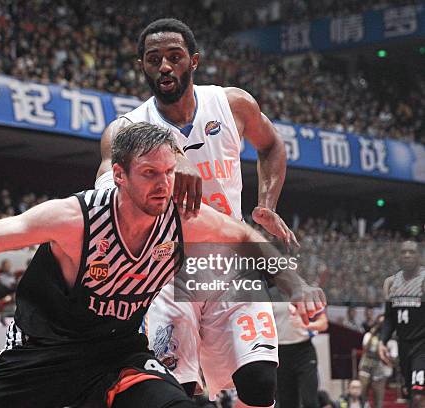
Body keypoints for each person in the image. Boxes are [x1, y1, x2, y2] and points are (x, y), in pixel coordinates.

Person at [0, 123, 323, 408]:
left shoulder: (184, 219)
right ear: (119, 176)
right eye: (150, 174)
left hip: (116, 354)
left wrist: (296, 284)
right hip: (41, 352)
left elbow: (246, 236)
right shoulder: (74, 218)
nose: (163, 185)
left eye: (169, 173)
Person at [96, 18, 304, 407]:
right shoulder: (126, 130)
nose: (164, 67)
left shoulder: (231, 104)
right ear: (141, 65)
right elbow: (106, 185)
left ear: (193, 60)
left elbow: (272, 145)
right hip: (167, 269)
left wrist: (266, 204)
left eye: (174, 57)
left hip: (232, 262)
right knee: (179, 391)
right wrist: (163, 164)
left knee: (260, 384)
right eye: (153, 58)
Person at [379, 241, 425, 408]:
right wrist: (382, 342)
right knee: (411, 395)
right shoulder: (391, 283)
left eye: (411, 252)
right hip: (404, 346)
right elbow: (389, 318)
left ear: (419, 256)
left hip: (422, 346)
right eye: (403, 252)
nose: (407, 255)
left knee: (419, 394)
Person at [272, 294, 329, 408]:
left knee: (309, 400)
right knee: (287, 402)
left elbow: (323, 324)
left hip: (303, 351)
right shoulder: (267, 294)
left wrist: (306, 325)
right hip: (280, 352)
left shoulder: (303, 294)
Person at [359, 315, 392, 408]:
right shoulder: (368, 335)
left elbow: (389, 357)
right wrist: (373, 334)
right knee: (362, 394)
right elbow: (365, 349)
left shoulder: (388, 339)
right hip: (366, 366)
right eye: (379, 323)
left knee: (378, 399)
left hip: (379, 370)